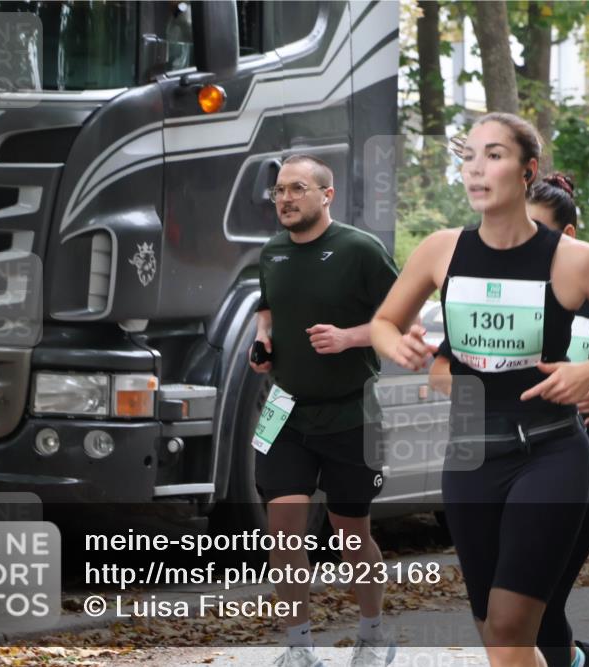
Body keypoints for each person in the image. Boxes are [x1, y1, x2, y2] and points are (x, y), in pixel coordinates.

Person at [370, 113, 589, 667]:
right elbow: (385, 321)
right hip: (471, 455)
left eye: (495, 155)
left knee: (509, 625)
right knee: (492, 629)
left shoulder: (575, 261)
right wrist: (396, 345)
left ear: (528, 171)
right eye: (469, 156)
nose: (477, 168)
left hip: (549, 453)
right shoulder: (440, 250)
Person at [251, 154, 399, 667]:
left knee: (349, 531)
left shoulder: (360, 250)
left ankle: (373, 634)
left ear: (326, 195)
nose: (285, 199)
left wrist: (349, 337)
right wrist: (262, 340)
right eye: (279, 192)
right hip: (286, 412)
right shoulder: (271, 253)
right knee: (283, 526)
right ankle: (299, 649)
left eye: (297, 189)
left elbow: (397, 321)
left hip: (350, 414)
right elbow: (267, 307)